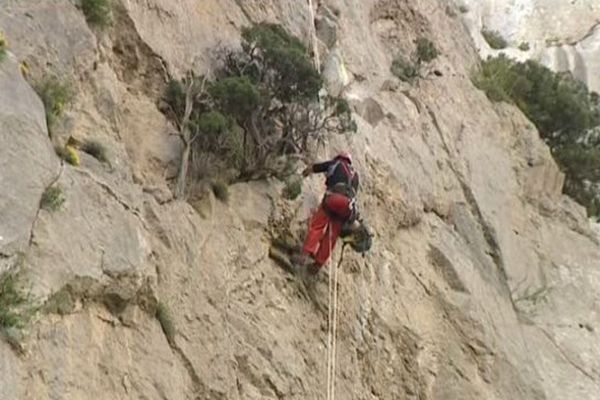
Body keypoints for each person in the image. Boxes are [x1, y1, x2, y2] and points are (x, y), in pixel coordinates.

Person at [296, 151, 360, 275]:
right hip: (348, 208)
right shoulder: (355, 175)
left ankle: (304, 255)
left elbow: (317, 168)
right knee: (332, 235)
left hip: (334, 199)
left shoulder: (336, 163)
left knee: (318, 226)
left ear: (339, 157)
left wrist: (304, 173)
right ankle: (318, 264)